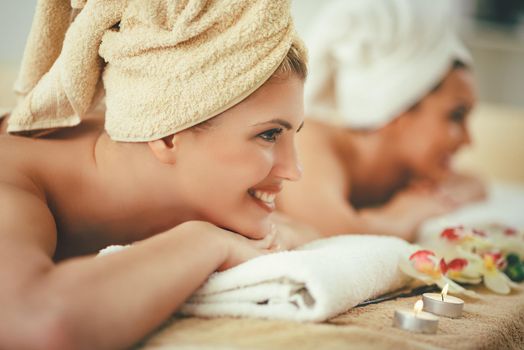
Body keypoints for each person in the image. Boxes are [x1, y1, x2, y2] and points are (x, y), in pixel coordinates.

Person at [0, 1, 317, 349]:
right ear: (166, 134)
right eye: (269, 134)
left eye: (293, 134)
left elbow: (297, 231)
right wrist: (204, 241)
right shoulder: (12, 181)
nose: (294, 171)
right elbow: (34, 325)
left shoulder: (184, 172)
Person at [277, 0, 486, 242]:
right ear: (399, 108)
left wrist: (432, 199)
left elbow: (476, 183)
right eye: (456, 115)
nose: (469, 140)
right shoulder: (307, 140)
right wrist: (406, 213)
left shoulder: (407, 170)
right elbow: (333, 234)